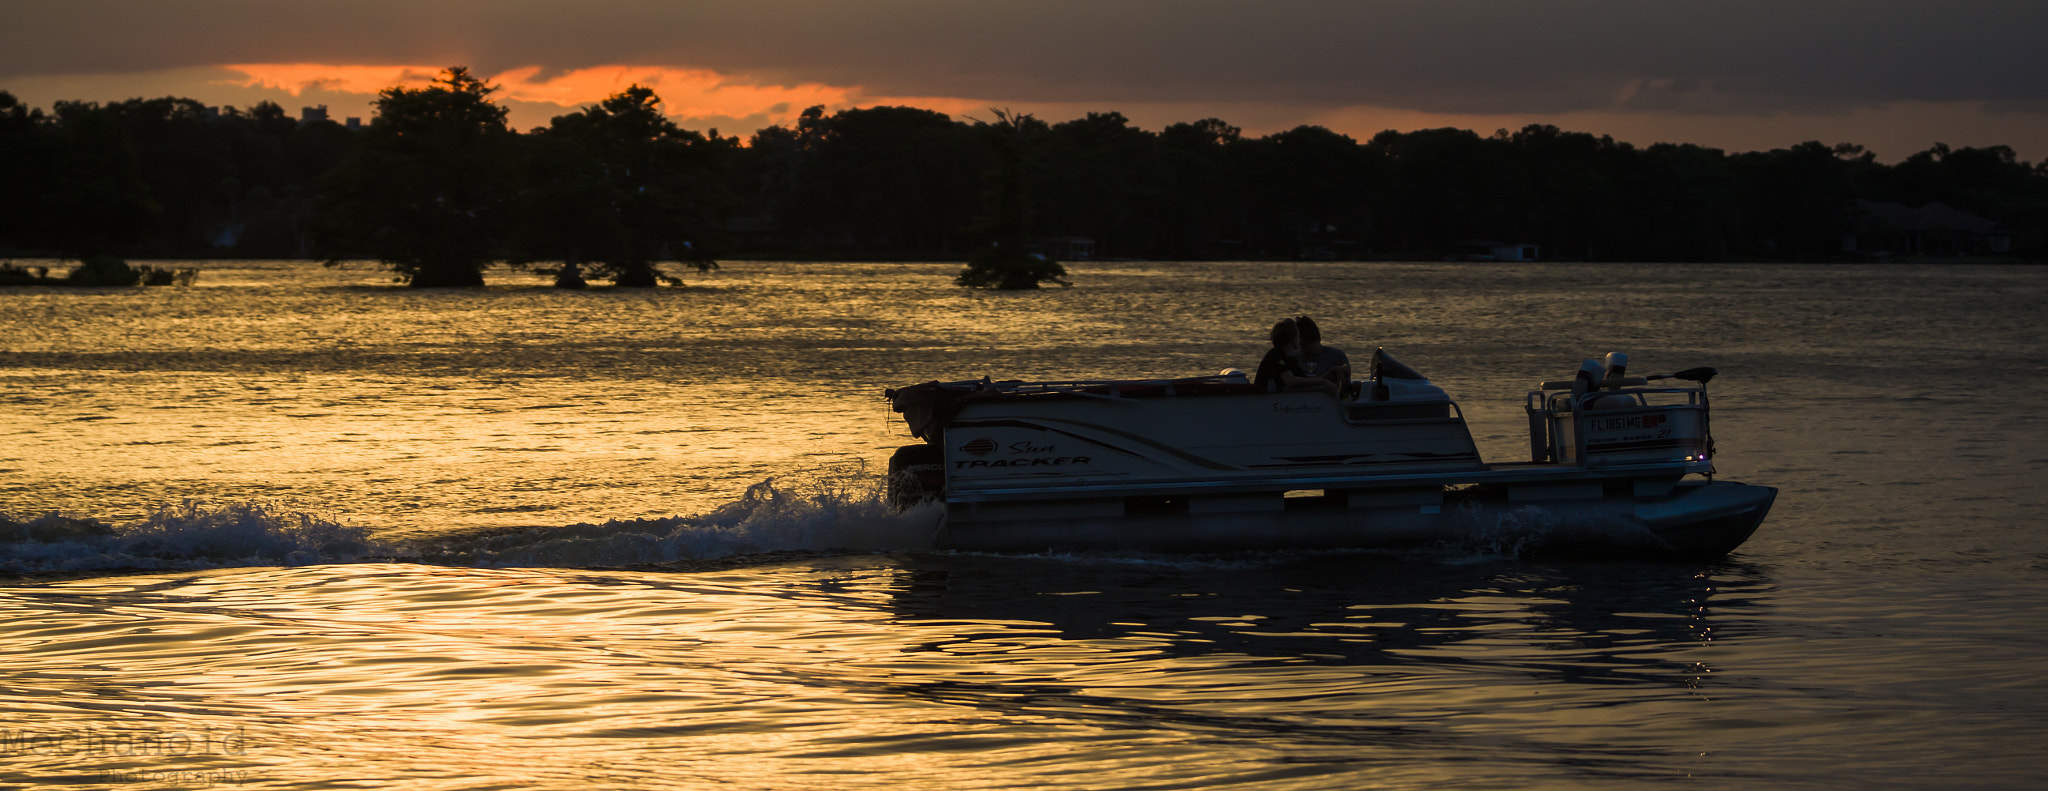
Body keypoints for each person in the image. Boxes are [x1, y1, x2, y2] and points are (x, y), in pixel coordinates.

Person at [1254, 318, 1336, 393]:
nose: (1299, 339)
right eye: (1298, 335)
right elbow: (1290, 381)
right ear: (1293, 338)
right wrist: (1323, 382)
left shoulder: (1290, 360)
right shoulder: (1275, 356)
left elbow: (1308, 381)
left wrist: (1331, 373)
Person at [1294, 315, 1351, 388]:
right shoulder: (1294, 358)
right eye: (1299, 345)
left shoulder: (1337, 357)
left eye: (1305, 345)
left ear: (1317, 339)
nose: (1302, 349)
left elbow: (1345, 388)